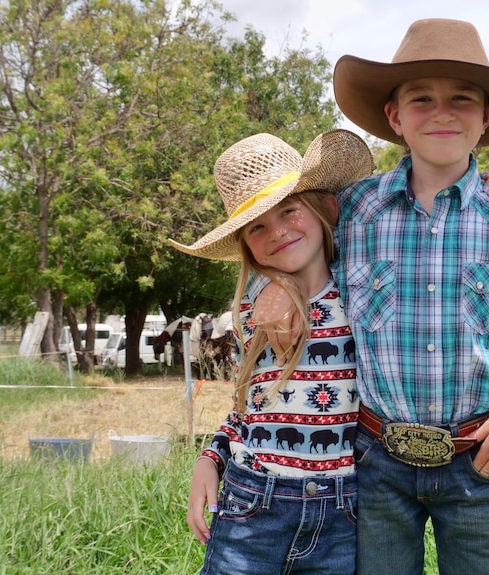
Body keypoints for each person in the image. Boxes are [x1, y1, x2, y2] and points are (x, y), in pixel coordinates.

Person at [260, 18, 489, 575]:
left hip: (480, 455)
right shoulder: (352, 211)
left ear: (486, 118)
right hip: (374, 459)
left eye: (462, 99)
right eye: (421, 99)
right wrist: (276, 286)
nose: (442, 112)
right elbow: (288, 247)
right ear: (394, 117)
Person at [169, 129, 375, 575]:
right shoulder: (251, 312)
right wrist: (212, 456)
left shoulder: (363, 295)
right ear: (246, 243)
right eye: (257, 226)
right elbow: (251, 407)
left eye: (289, 210)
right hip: (252, 501)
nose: (277, 231)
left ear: (319, 208)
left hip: (340, 512)